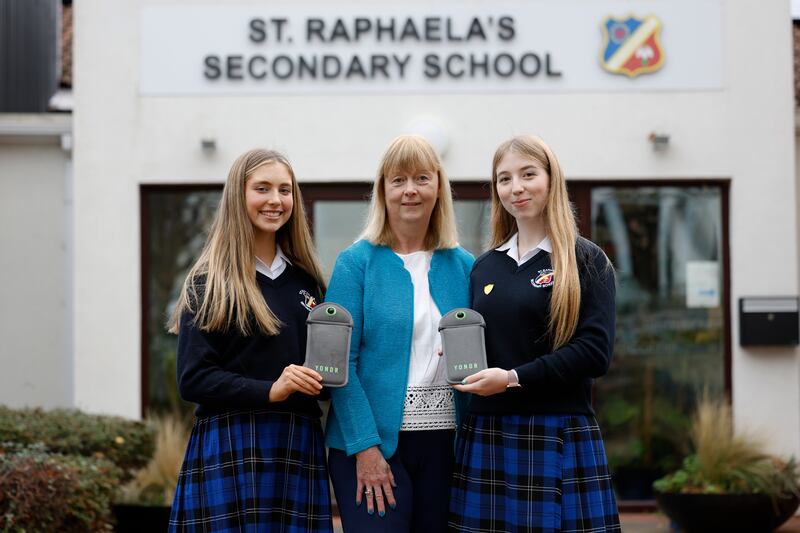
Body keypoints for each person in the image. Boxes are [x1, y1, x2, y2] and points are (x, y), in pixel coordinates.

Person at [450, 135, 621, 532]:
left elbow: (595, 352)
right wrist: (459, 352)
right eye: (505, 178)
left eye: (528, 174)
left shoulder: (585, 259)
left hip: (557, 431)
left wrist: (512, 378)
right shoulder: (484, 267)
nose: (517, 187)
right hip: (488, 431)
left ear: (551, 180)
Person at [168, 149, 333, 533]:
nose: (275, 200)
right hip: (230, 442)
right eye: (262, 188)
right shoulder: (208, 283)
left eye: (284, 190)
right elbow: (193, 379)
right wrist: (271, 390)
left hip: (298, 441)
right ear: (237, 196)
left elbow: (324, 380)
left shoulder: (308, 284)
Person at [324, 135, 473, 532]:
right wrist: (365, 448)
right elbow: (338, 365)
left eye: (422, 178)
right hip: (370, 445)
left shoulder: (465, 265)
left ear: (438, 187)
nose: (410, 190)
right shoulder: (355, 263)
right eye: (398, 180)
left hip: (446, 446)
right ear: (382, 191)